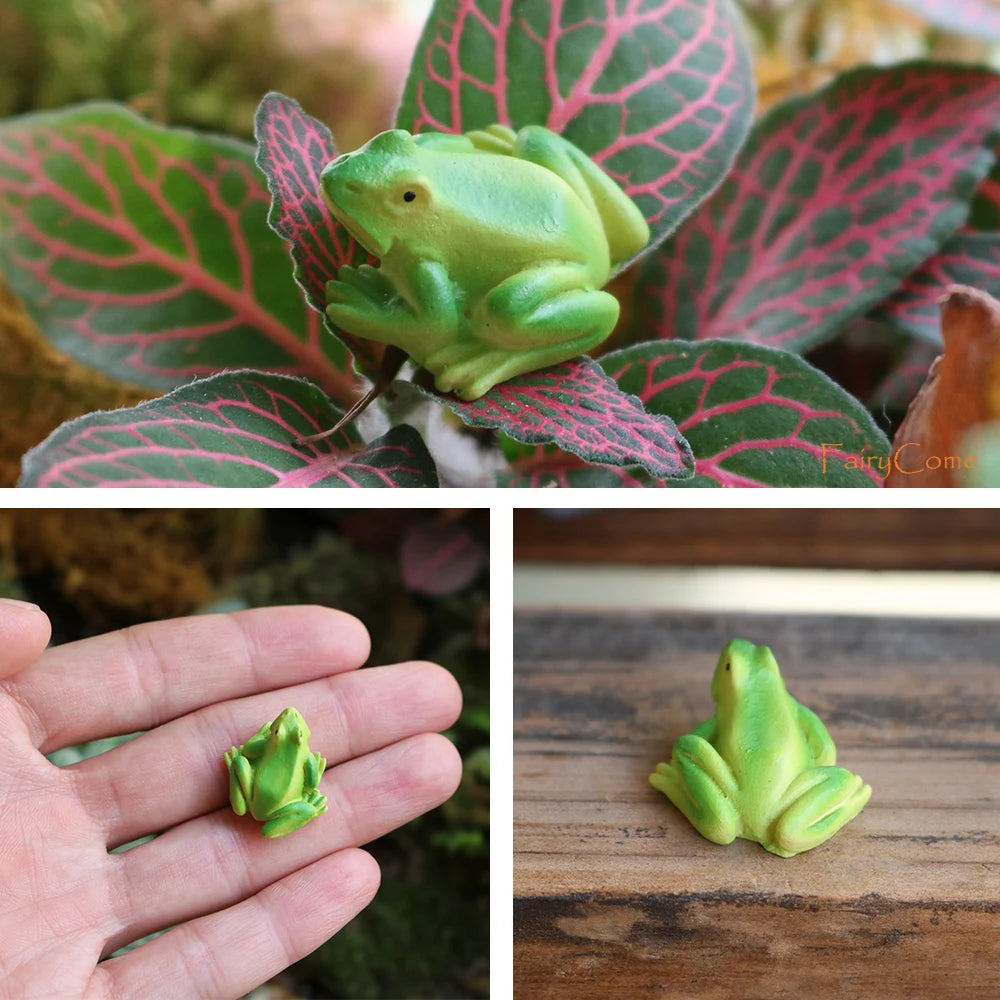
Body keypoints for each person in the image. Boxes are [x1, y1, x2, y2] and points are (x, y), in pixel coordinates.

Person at [0, 598, 463, 999]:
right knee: (308, 798)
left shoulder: (275, 748)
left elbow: (246, 758)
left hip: (250, 803)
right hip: (272, 809)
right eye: (287, 729)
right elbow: (309, 778)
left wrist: (255, 748)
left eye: (289, 730)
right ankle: (308, 810)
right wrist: (311, 789)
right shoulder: (306, 761)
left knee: (246, 769)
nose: (288, 729)